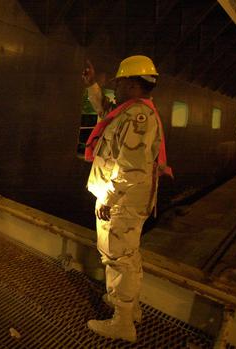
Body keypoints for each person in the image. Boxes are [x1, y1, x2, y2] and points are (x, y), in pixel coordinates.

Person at [82, 55, 172, 343]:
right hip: (126, 198)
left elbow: (132, 167)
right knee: (129, 256)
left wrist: (108, 198)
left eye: (119, 83)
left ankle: (122, 323)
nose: (116, 87)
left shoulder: (137, 118)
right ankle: (130, 310)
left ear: (133, 84)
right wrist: (92, 86)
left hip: (121, 200)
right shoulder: (130, 111)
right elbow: (106, 112)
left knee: (117, 257)